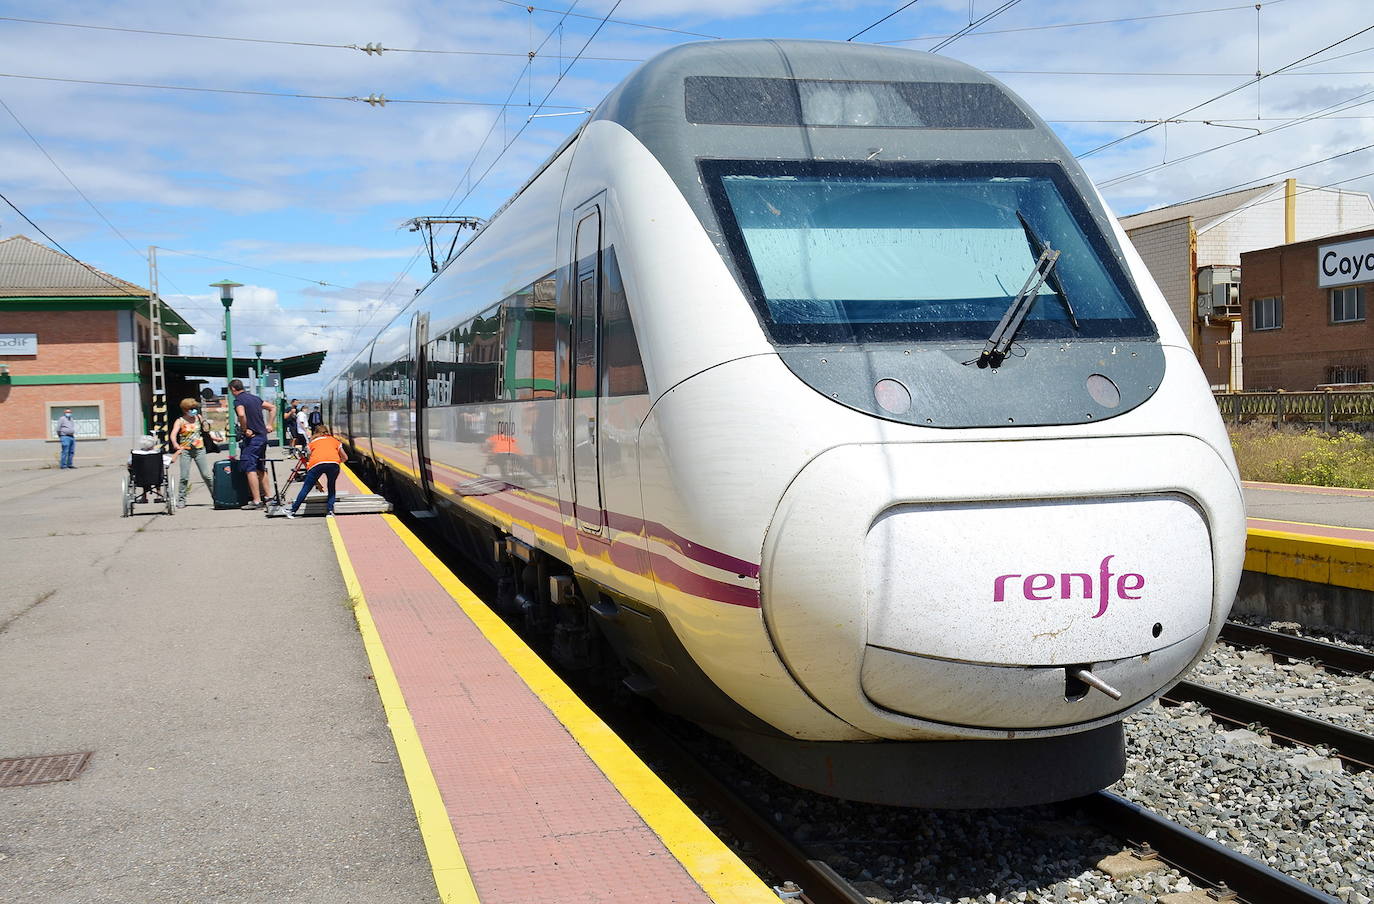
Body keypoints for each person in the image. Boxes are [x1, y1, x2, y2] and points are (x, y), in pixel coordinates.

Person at [229, 378, 276, 510]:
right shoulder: (255, 398)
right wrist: (269, 424)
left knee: (250, 468)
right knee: (261, 468)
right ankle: (268, 497)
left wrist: (244, 429)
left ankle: (256, 501)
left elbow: (241, 414)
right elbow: (272, 408)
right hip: (262, 437)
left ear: (233, 389)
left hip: (253, 438)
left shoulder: (239, 400)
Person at [284, 423, 345, 519]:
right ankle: (329, 511)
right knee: (331, 486)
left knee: (306, 488)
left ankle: (292, 511)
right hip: (334, 464)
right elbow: (345, 457)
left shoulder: (312, 442)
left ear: (316, 433)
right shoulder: (335, 441)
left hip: (316, 464)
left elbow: (308, 456)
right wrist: (337, 461)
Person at [168, 398, 214, 508]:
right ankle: (181, 499)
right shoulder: (180, 421)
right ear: (185, 410)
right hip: (185, 451)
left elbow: (206, 431)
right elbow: (173, 434)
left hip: (199, 449)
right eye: (191, 409)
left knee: (206, 475)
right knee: (184, 476)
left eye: (195, 408)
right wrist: (175, 444)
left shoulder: (198, 418)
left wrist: (213, 438)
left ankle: (216, 496)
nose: (194, 410)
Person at [128, 435, 164, 503]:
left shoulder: (135, 454)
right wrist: (177, 452)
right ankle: (159, 493)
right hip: (156, 478)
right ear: (153, 444)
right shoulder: (157, 453)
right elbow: (171, 461)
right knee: (157, 472)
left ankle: (144, 496)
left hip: (140, 478)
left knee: (143, 472)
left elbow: (129, 464)